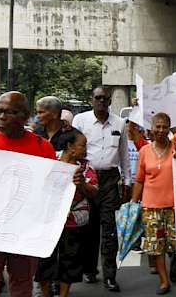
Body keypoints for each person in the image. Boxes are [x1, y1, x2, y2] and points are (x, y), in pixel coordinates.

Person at [0, 92, 58, 297]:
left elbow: (52, 189)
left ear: (25, 116)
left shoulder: (42, 147)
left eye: (10, 112)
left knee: (22, 288)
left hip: (25, 232)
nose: (1, 117)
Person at [71, 87, 130, 291]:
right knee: (88, 229)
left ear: (110, 101)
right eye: (98, 98)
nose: (102, 102)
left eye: (105, 99)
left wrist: (127, 182)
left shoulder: (119, 123)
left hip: (110, 181)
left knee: (109, 231)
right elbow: (73, 151)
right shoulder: (80, 121)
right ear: (92, 99)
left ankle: (110, 276)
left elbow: (123, 155)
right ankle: (89, 270)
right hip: (87, 179)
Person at [36, 130, 98, 297]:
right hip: (48, 220)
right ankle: (45, 293)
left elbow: (94, 192)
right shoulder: (50, 160)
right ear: (70, 146)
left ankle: (63, 294)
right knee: (44, 259)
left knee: (70, 260)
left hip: (73, 221)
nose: (85, 149)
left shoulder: (85, 167)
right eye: (82, 145)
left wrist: (81, 185)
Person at [131, 112, 176, 295]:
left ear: (170, 128)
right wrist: (133, 202)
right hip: (151, 206)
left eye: (165, 126)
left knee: (174, 243)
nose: (161, 130)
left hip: (174, 207)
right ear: (152, 129)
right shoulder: (144, 152)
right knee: (156, 246)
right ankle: (164, 281)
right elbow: (139, 180)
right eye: (158, 126)